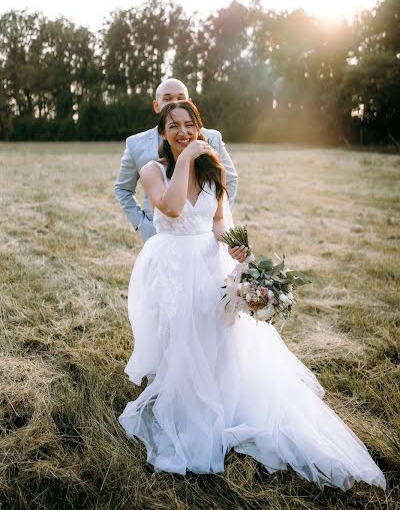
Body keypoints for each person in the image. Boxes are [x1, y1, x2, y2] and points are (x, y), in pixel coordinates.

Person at [118, 100, 386, 490]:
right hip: (171, 265)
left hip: (209, 263)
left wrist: (236, 250)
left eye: (189, 125)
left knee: (219, 336)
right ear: (162, 134)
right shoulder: (153, 170)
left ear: (199, 126)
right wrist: (190, 156)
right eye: (172, 126)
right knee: (179, 335)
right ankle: (184, 392)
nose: (182, 131)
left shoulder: (214, 172)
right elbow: (173, 208)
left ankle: (220, 399)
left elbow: (219, 221)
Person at [114, 78, 244, 262]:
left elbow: (224, 197)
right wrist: (142, 224)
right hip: (162, 238)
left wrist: (207, 218)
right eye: (167, 98)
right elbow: (123, 189)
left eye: (180, 98)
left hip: (207, 246)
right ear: (156, 105)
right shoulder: (138, 148)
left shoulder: (212, 141)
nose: (174, 103)